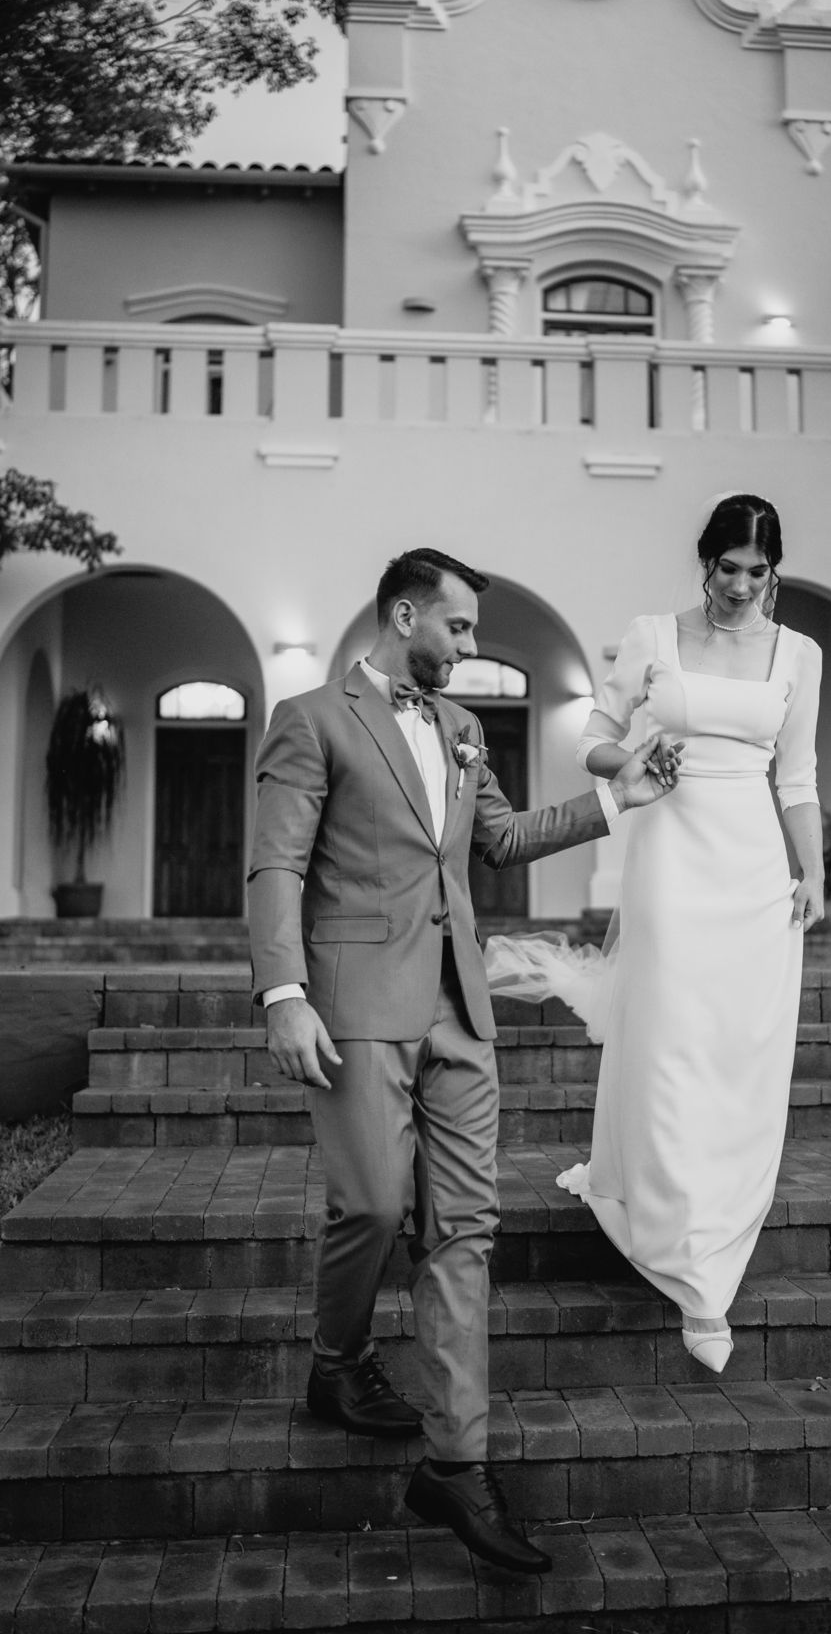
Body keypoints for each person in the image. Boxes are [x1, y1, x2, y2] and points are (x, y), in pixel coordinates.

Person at [246, 548, 676, 1576]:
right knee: (374, 1207)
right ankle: (336, 1364)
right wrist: (283, 994)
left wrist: (623, 802)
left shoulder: (466, 730)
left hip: (461, 1012)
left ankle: (458, 1466)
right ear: (405, 615)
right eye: (462, 630)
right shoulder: (311, 720)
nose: (474, 649)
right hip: (353, 1007)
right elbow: (277, 864)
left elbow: (503, 839)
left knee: (466, 1232)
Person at [559, 493, 823, 1373]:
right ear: (704, 564)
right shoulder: (653, 637)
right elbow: (594, 739)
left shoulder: (800, 654)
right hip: (670, 855)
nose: (741, 587)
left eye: (757, 572)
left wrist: (812, 872)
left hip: (753, 867)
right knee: (671, 1038)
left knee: (738, 1047)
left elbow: (798, 776)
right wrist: (631, 760)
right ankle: (692, 1271)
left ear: (772, 571)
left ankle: (718, 1212)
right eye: (726, 569)